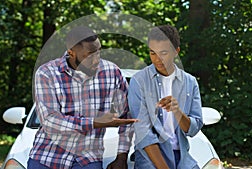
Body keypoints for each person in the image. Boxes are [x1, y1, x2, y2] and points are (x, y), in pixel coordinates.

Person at [28, 26, 138, 169]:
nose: (97, 59)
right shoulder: (46, 73)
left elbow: (126, 117)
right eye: (90, 54)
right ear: (71, 53)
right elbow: (50, 120)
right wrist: (94, 122)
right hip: (47, 157)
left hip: (88, 159)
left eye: (99, 51)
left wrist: (121, 157)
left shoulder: (112, 73)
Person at [128, 25, 203, 169]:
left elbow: (193, 129)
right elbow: (143, 132)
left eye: (163, 53)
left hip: (182, 158)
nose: (157, 59)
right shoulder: (139, 81)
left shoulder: (190, 82)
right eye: (152, 53)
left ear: (176, 52)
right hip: (150, 158)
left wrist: (178, 112)